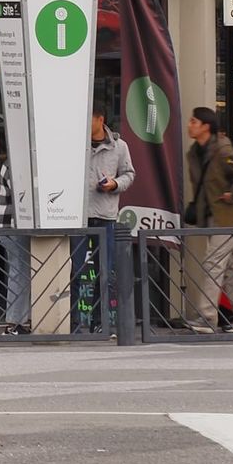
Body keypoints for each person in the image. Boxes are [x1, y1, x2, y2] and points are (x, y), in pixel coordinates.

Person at [184, 106, 233, 333]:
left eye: (194, 121)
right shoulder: (195, 152)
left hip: (228, 216)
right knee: (232, 266)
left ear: (206, 126)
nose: (190, 125)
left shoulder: (224, 151)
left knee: (213, 263)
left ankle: (206, 318)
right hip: (212, 217)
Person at [72, 110, 135, 333]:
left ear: (101, 119)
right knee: (76, 272)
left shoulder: (120, 147)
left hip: (106, 215)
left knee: (105, 273)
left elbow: (129, 174)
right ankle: (76, 324)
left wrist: (115, 184)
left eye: (89, 117)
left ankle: (102, 323)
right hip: (77, 216)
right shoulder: (73, 142)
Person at [0, 150, 30, 334]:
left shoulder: (11, 163)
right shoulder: (14, 165)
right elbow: (23, 195)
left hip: (9, 226)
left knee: (20, 271)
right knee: (20, 271)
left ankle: (20, 321)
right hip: (12, 226)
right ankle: (15, 322)